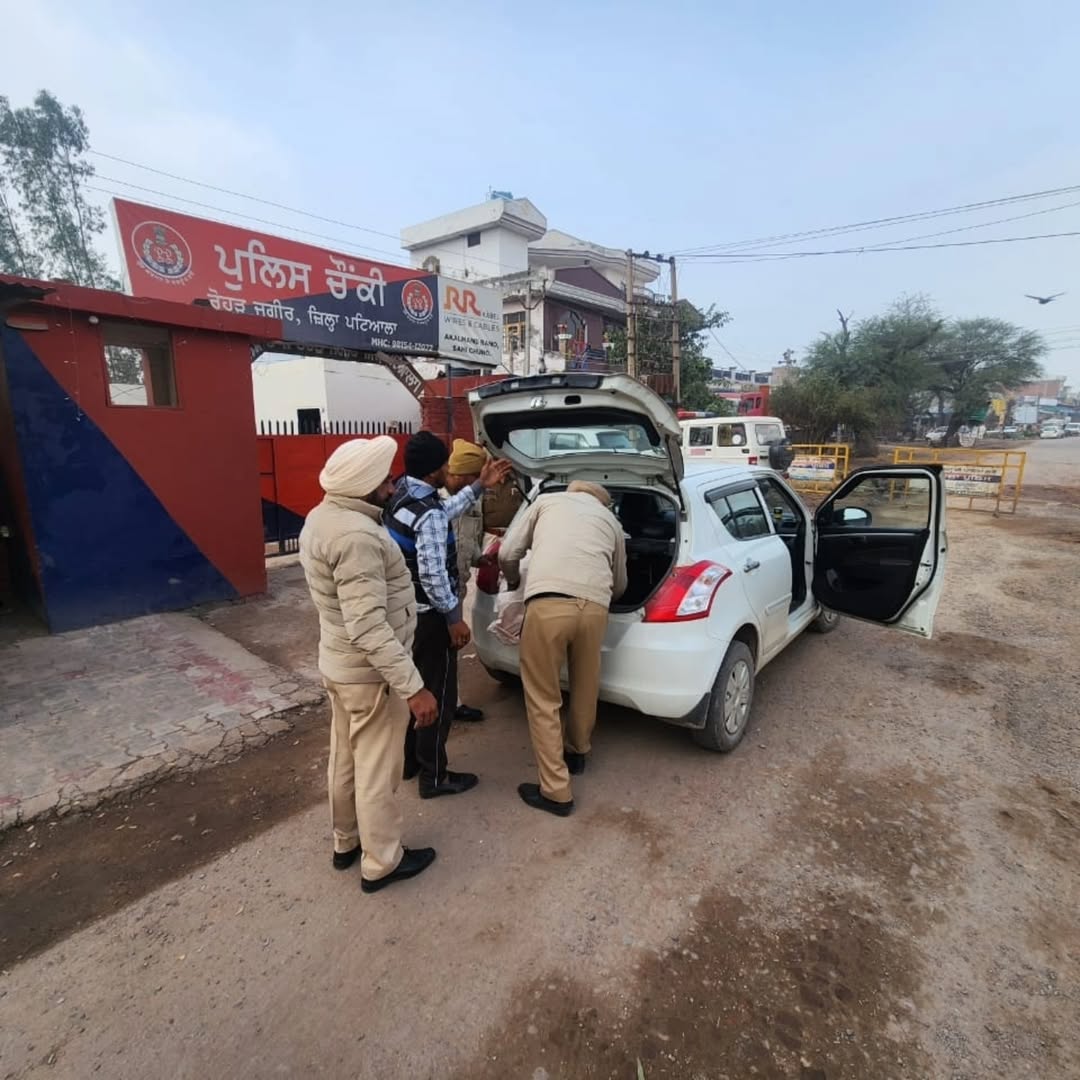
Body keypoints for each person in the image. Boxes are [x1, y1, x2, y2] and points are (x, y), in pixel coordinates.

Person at [299, 436, 440, 893]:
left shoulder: (321, 518)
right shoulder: (357, 537)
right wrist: (413, 687)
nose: (391, 482)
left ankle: (347, 843)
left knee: (345, 759)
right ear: (364, 485)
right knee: (377, 770)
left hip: (340, 667)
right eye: (384, 477)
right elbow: (369, 626)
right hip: (370, 676)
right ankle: (382, 861)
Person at [387, 431, 511, 798]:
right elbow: (432, 573)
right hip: (431, 618)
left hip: (408, 613)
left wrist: (478, 489)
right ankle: (434, 776)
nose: (448, 470)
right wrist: (454, 617)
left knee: (417, 687)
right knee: (437, 696)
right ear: (432, 473)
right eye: (443, 466)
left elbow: (442, 514)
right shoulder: (427, 514)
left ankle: (411, 762)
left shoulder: (402, 494)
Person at [500, 481, 627, 816]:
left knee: (544, 697)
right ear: (603, 501)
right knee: (586, 684)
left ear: (573, 491)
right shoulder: (611, 521)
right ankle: (578, 752)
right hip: (596, 608)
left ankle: (556, 792)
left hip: (549, 605)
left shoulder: (546, 502)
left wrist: (512, 580)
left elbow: (507, 552)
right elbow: (621, 582)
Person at [442, 438, 494, 724]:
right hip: (434, 589)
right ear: (461, 475)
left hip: (457, 585)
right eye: (475, 479)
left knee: (452, 649)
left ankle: (453, 702)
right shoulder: (434, 502)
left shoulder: (472, 498)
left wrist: (479, 559)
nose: (478, 484)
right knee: (432, 650)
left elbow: (469, 539)